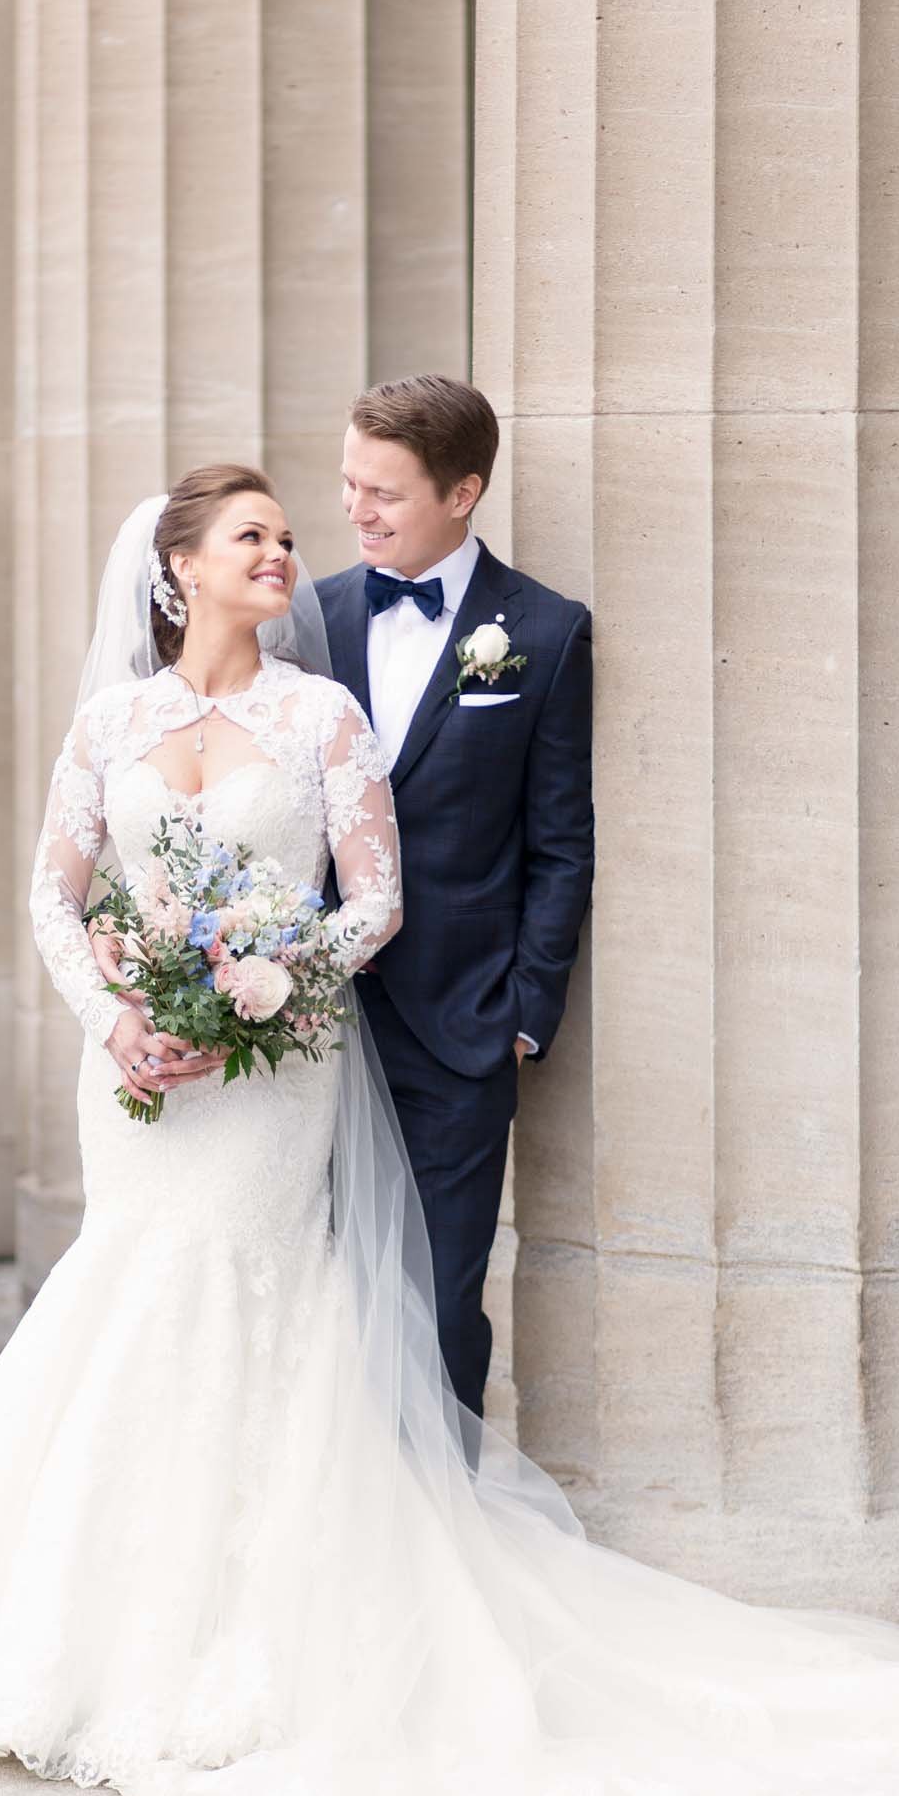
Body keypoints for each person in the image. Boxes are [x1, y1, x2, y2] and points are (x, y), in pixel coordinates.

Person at [0, 463, 899, 1796]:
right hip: (136, 1080)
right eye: (253, 536)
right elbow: (58, 891)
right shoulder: (110, 720)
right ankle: (86, 1645)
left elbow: (375, 900)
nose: (285, 552)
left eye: (290, 535)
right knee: (129, 1295)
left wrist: (265, 979)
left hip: (273, 1068)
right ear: (176, 565)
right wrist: (115, 1012)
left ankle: (262, 1650)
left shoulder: (321, 718)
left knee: (253, 1305)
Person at [316, 375, 592, 1416]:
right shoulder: (312, 615)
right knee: (317, 1296)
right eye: (349, 483)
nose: (355, 510)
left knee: (438, 1305)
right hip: (304, 1025)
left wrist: (526, 1011)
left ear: (462, 491)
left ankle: (440, 1536)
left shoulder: (544, 632)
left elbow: (560, 841)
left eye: (382, 491)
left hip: (462, 1026)